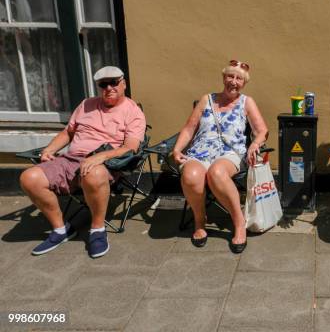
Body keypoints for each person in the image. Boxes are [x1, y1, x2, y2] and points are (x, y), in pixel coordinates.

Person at [19, 66, 146, 258]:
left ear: (124, 84)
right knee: (29, 178)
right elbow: (68, 132)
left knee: (93, 173)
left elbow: (131, 147)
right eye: (104, 84)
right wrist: (50, 149)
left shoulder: (133, 112)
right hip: (71, 158)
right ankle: (61, 229)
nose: (109, 87)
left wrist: (99, 157)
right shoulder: (86, 104)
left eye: (114, 82)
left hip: (105, 160)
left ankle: (97, 230)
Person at [172, 60, 267, 253]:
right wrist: (177, 149)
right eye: (230, 76)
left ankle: (239, 223)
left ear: (244, 83)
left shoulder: (246, 102)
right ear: (223, 78)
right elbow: (189, 128)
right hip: (200, 151)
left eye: (238, 78)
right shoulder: (207, 99)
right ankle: (199, 221)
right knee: (191, 176)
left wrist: (255, 144)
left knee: (216, 172)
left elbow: (262, 130)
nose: (233, 81)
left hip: (230, 153)